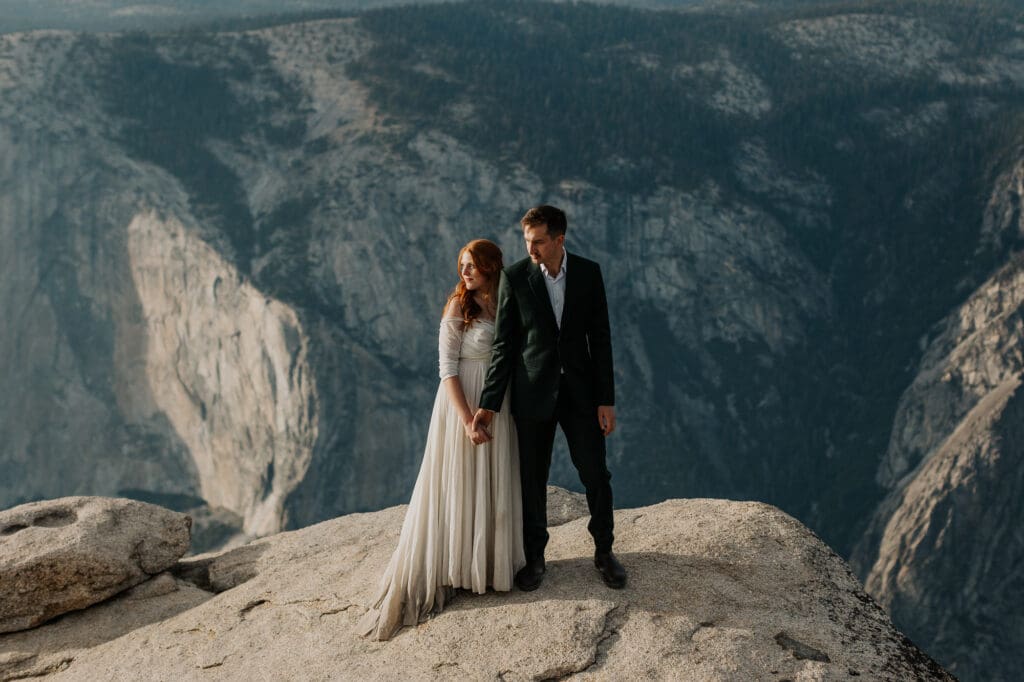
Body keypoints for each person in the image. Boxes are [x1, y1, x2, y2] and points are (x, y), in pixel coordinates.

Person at [357, 239, 525, 641]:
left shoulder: (505, 303)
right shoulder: (457, 308)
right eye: (462, 265)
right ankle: (455, 566)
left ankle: (487, 565)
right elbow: (447, 371)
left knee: (493, 481)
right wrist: (468, 419)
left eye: (472, 265)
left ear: (491, 267)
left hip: (500, 402)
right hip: (462, 403)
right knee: (459, 483)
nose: (465, 272)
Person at [473, 205, 626, 591]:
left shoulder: (589, 274)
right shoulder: (515, 277)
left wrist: (605, 400)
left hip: (581, 394)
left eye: (539, 241)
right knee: (531, 479)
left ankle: (604, 552)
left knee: (595, 474)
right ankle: (535, 559)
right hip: (532, 395)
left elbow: (601, 339)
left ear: (560, 239)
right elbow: (504, 346)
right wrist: (488, 405)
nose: (532, 248)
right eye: (527, 241)